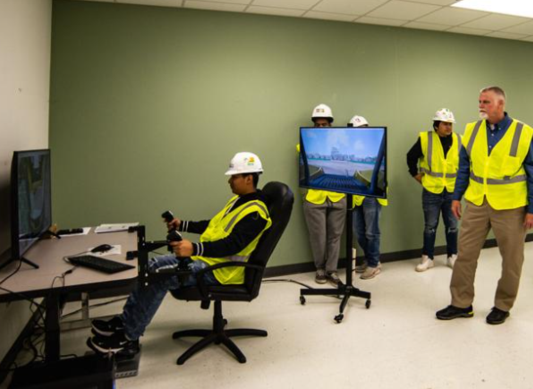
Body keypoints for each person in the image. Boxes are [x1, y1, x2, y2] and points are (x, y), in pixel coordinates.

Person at [87, 152, 271, 354]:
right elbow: (213, 225)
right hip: (206, 260)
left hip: (221, 271)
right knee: (152, 266)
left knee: (160, 275)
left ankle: (128, 339)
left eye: (234, 177)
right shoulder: (238, 201)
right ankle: (124, 322)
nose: (229, 181)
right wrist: (183, 224)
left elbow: (232, 245)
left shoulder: (256, 212)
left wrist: (194, 248)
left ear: (249, 178)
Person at [435, 86, 533, 325]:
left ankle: (503, 305)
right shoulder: (472, 130)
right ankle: (460, 303)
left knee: (512, 259)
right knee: (465, 255)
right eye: (479, 101)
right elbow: (464, 166)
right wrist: (456, 196)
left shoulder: (523, 132)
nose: (481, 105)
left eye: (486, 101)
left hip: (511, 205)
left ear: (501, 104)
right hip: (476, 201)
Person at [406, 108, 460, 272]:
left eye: (450, 124)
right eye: (445, 124)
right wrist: (416, 175)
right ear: (436, 125)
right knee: (430, 226)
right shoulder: (425, 138)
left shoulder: (459, 140)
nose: (448, 127)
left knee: (452, 226)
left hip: (451, 191)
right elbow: (410, 157)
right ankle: (427, 258)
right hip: (431, 190)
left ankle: (452, 256)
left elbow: (466, 164)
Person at [302, 104, 346, 286]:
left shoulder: (340, 148)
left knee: (335, 236)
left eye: (324, 124)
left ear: (330, 126)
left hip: (337, 196)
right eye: (317, 125)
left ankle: (332, 270)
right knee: (318, 236)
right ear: (313, 127)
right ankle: (320, 269)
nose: (321, 127)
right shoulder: (303, 145)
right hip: (314, 198)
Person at [348, 115, 388, 280]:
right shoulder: (351, 149)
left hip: (372, 195)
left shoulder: (376, 146)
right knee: (358, 232)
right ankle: (370, 258)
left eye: (363, 129)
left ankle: (374, 263)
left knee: (372, 232)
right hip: (356, 195)